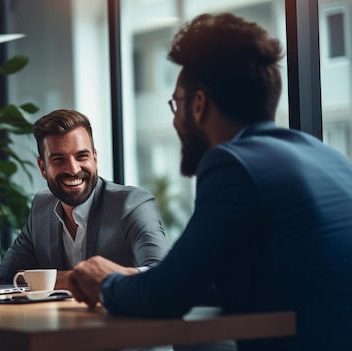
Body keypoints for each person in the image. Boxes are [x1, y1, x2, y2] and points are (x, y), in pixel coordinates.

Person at [68, 13, 352, 351]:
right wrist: (142, 277)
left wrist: (106, 284)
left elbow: (165, 298)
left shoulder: (233, 164)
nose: (175, 120)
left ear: (199, 104)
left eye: (176, 105)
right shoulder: (328, 157)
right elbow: (215, 277)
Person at [0, 109, 168, 290]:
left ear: (94, 158)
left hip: (120, 317)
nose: (73, 169)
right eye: (59, 159)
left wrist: (50, 279)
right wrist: (70, 278)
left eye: (81, 156)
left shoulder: (132, 204)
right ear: (43, 168)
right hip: (58, 318)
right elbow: (3, 279)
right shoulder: (41, 207)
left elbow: (161, 275)